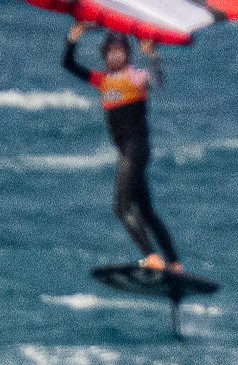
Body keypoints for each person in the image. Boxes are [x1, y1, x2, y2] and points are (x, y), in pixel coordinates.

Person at [62, 22, 181, 274]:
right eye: (111, 51)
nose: (116, 54)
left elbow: (157, 81)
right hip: (130, 152)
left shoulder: (135, 76)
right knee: (146, 210)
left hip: (135, 150)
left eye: (120, 50)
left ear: (127, 53)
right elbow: (69, 65)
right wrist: (72, 39)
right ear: (105, 56)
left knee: (121, 208)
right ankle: (175, 263)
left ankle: (151, 257)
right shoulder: (102, 80)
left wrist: (152, 57)